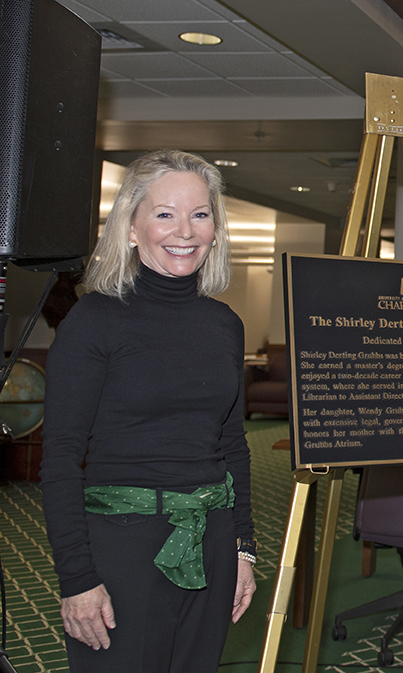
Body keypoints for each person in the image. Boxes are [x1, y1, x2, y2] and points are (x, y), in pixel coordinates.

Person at [40, 150, 257, 672]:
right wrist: (76, 580)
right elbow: (61, 458)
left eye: (200, 214)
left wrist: (243, 550)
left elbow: (232, 445)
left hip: (212, 541)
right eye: (165, 213)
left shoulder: (224, 324)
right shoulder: (94, 319)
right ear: (131, 227)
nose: (185, 230)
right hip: (122, 551)